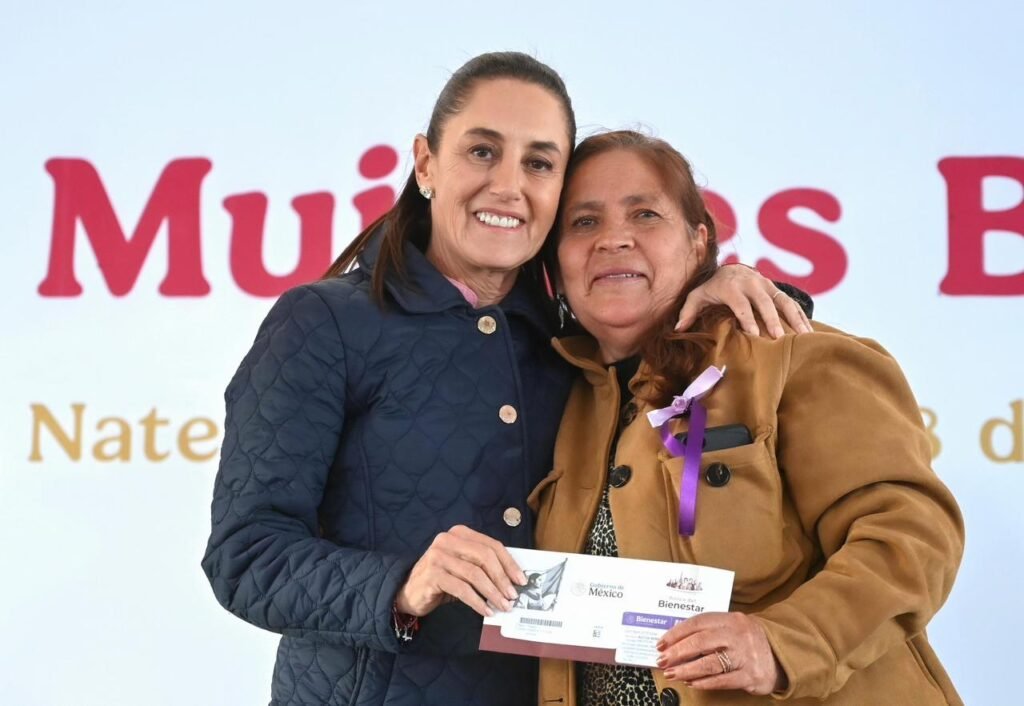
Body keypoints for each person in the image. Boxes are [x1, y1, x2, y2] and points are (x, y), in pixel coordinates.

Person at [201, 53, 811, 706]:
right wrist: (403, 586)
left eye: (540, 163)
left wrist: (720, 285)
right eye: (483, 152)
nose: (508, 186)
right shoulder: (324, 323)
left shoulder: (570, 340)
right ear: (426, 163)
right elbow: (247, 557)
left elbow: (684, 348)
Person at [531, 130, 964, 705]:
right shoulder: (549, 399)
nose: (613, 238)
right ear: (554, 264)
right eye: (583, 222)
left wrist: (783, 642)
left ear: (697, 241)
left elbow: (913, 537)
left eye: (645, 213)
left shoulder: (793, 355)